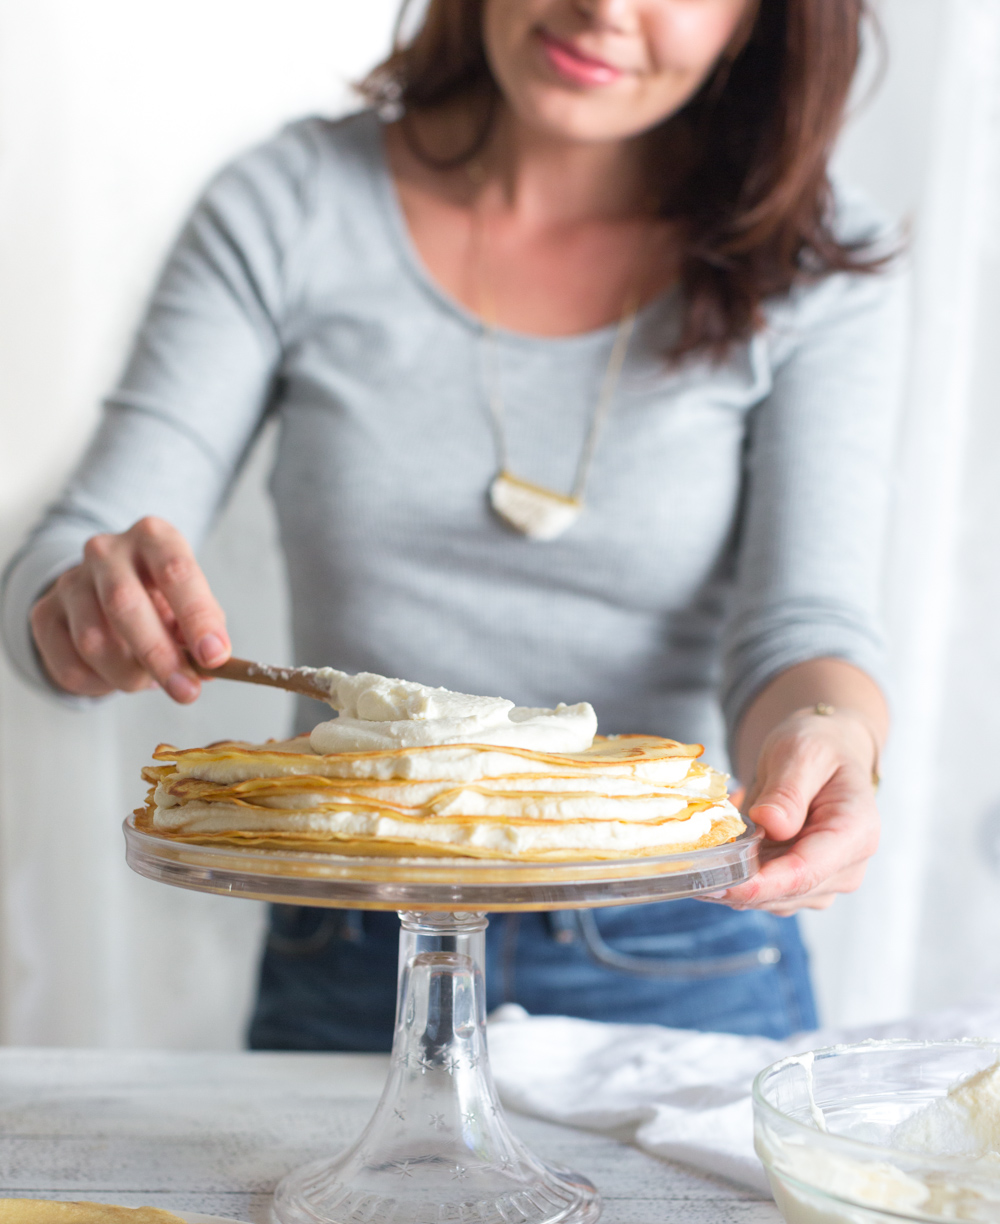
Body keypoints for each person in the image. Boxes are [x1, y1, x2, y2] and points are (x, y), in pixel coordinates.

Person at [1, 0, 904, 1050]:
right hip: (351, 945)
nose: (604, 11)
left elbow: (799, 626)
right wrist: (78, 611)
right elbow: (80, 546)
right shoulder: (289, 206)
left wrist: (833, 737)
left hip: (684, 956)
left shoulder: (816, 260)